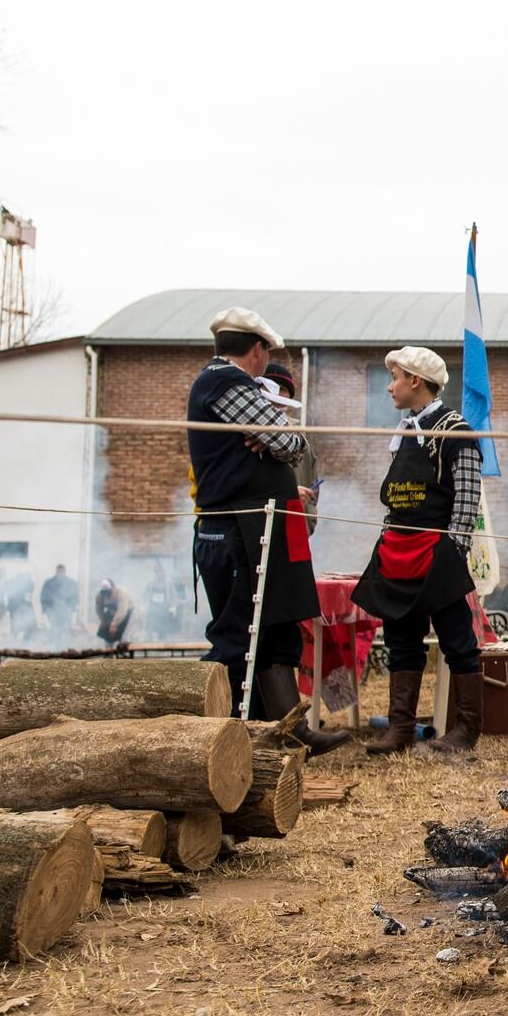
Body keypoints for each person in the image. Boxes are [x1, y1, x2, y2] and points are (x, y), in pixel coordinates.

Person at [186, 307, 344, 753]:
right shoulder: (225, 382)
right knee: (236, 638)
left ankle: (288, 730)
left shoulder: (224, 384)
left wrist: (277, 438)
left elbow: (286, 440)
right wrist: (279, 436)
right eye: (265, 353)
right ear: (257, 350)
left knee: (276, 631)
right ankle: (215, 739)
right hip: (236, 533)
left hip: (256, 528)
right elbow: (289, 441)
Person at [353, 347, 487, 754]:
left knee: (458, 642)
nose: (390, 386)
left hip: (437, 551)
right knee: (401, 640)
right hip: (398, 548)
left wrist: (453, 550)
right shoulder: (406, 430)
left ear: (415, 380)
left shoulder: (455, 429)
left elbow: (467, 497)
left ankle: (466, 730)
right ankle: (401, 729)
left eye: (395, 377)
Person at [262, 361, 323, 531]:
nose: (278, 394)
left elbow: (313, 486)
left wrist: (308, 520)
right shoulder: (250, 433)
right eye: (272, 387)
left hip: (295, 528)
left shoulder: (300, 437)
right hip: (261, 525)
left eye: (283, 389)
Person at [40, 564, 79, 643]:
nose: (61, 573)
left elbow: (75, 596)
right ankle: (55, 647)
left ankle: (65, 646)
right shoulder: (49, 583)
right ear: (56, 571)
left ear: (65, 572)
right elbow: (43, 596)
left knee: (65, 629)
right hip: (52, 611)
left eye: (62, 571)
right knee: (54, 629)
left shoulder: (71, 583)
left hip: (66, 611)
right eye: (59, 571)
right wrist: (45, 609)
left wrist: (71, 607)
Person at [94, 579, 135, 648]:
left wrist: (114, 624)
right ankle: (108, 650)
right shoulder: (100, 595)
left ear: (113, 588)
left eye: (108, 592)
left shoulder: (122, 593)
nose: (107, 595)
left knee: (123, 633)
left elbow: (122, 610)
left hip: (127, 611)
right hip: (112, 611)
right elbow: (99, 609)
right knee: (106, 631)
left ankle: (123, 649)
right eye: (105, 593)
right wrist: (102, 620)